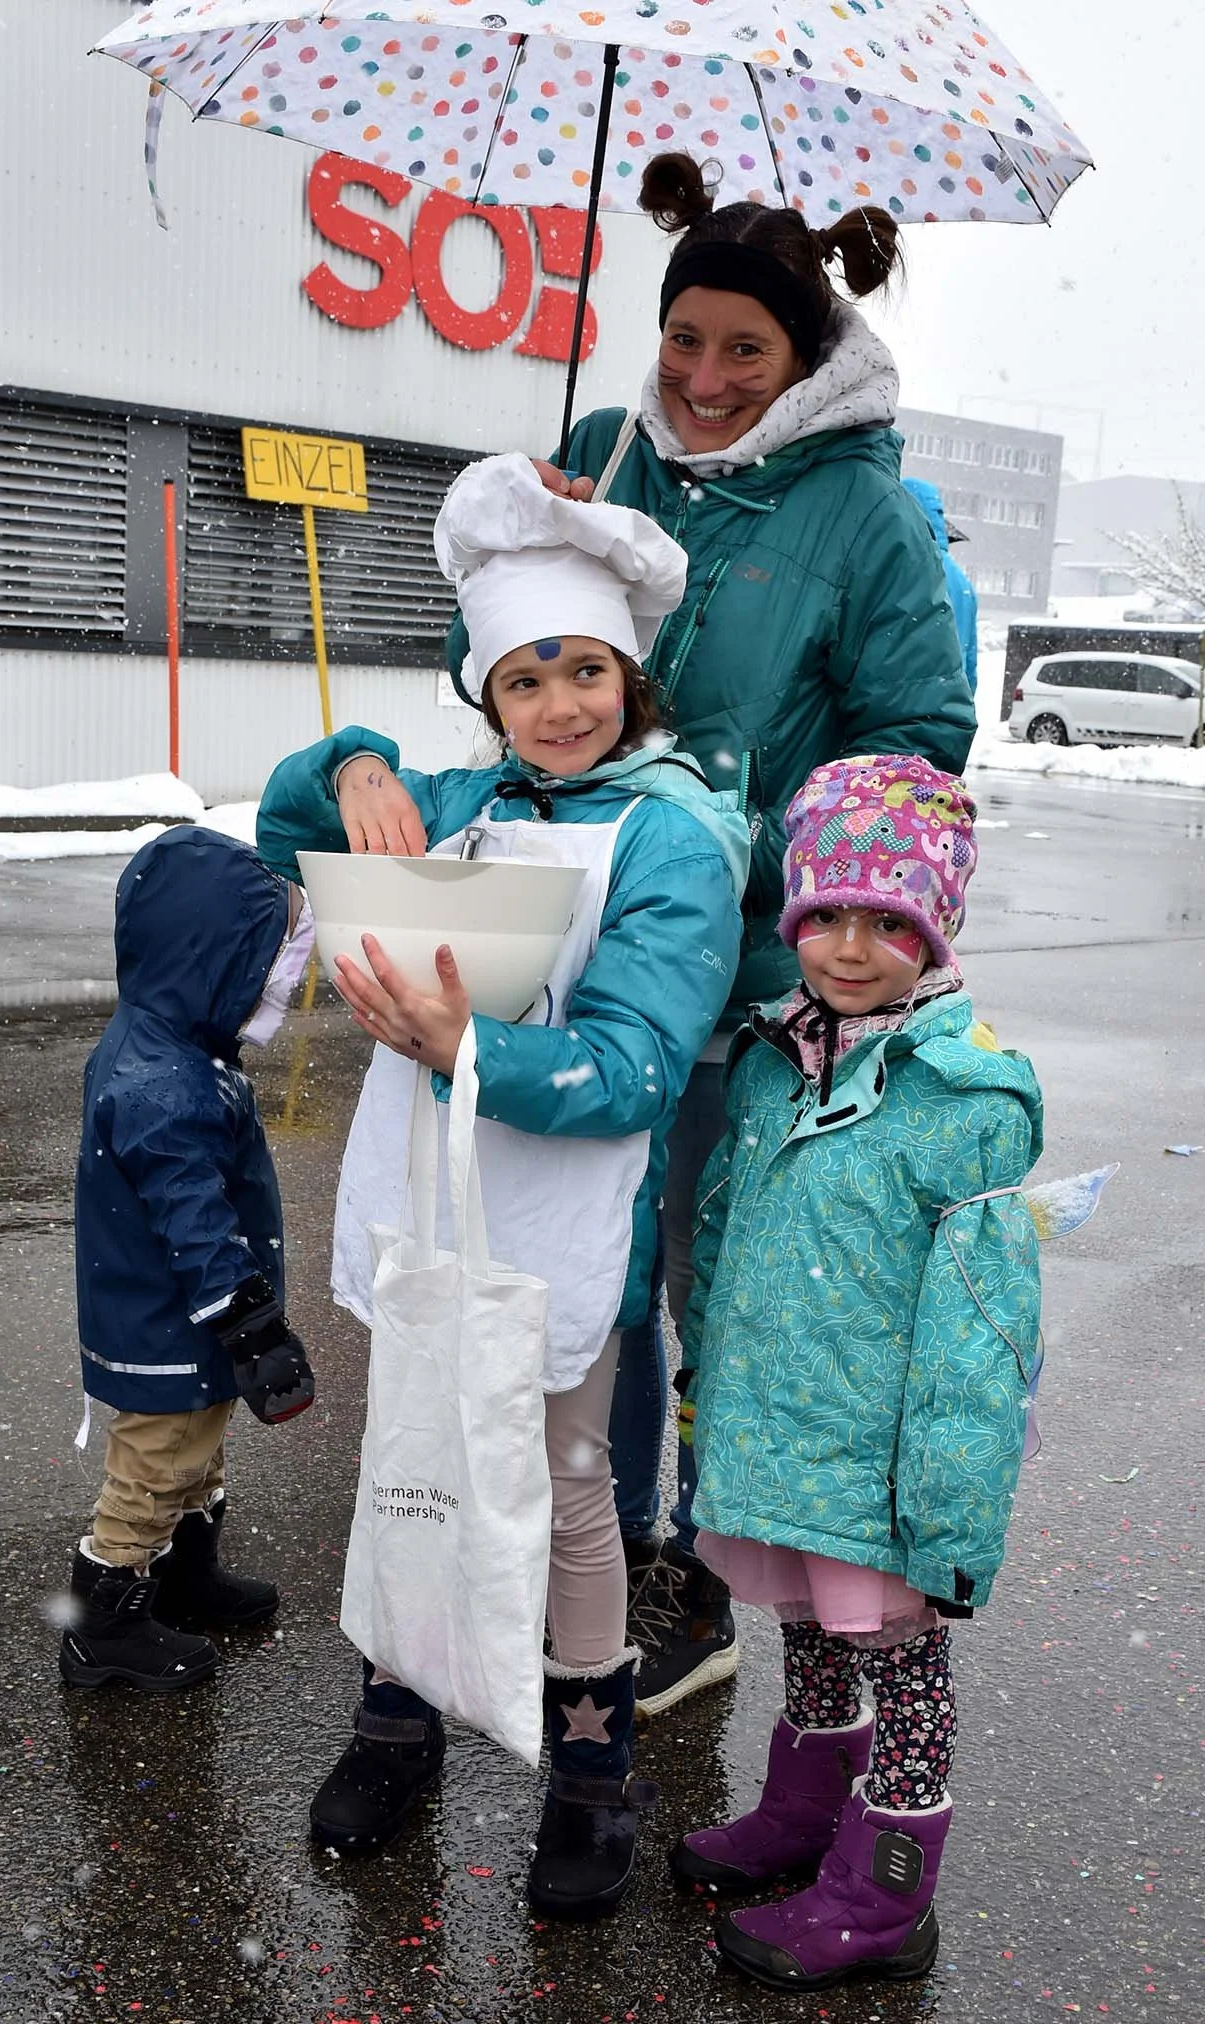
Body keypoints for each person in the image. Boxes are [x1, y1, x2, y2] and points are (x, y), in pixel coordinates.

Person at [445, 152, 977, 1715]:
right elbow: (493, 656)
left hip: (748, 970)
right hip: (574, 937)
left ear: (804, 355)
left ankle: (701, 1570)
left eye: (746, 348)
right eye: (686, 338)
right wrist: (521, 539)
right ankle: (582, 1560)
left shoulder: (866, 515)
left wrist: (759, 848)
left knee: (712, 1274)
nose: (705, 377)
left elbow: (915, 739)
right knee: (586, 1264)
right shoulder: (602, 453)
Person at [256, 452, 745, 1918]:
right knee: (410, 1460)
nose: (559, 704)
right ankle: (395, 1716)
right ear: (487, 694)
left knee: (573, 1486)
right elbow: (287, 827)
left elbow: (645, 1062)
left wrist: (471, 1046)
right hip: (427, 1196)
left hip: (560, 1224)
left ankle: (590, 1769)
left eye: (585, 669)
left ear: (631, 675)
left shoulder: (675, 833)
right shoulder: (458, 792)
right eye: (524, 677)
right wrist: (347, 763)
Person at [667, 755, 1043, 1989]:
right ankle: (802, 1812)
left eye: (890, 920)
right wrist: (705, 1392)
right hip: (778, 1437)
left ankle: (886, 1897)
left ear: (934, 930)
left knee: (899, 1660)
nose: (846, 946)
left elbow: (980, 1328)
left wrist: (947, 1510)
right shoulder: (777, 1058)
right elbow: (723, 1230)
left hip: (880, 1465)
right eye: (824, 913)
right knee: (807, 1631)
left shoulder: (964, 1098)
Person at [61, 828, 318, 1694]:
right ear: (212, 961)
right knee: (158, 1463)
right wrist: (251, 1320)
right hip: (172, 1319)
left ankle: (186, 1571)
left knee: (198, 1449)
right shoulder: (163, 1084)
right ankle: (103, 1621)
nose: (278, 986)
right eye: (267, 966)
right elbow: (194, 1220)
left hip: (183, 1321)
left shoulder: (180, 1041)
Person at [906, 478, 979, 694]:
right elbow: (971, 662)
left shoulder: (911, 570)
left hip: (913, 706)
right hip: (951, 709)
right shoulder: (962, 582)